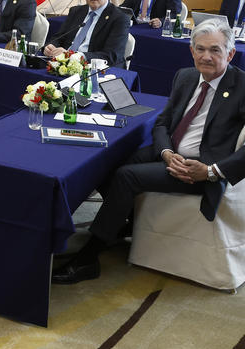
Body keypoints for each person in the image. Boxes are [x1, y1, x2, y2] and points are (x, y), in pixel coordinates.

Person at [52, 19, 245, 284]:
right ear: (191, 50)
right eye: (200, 49)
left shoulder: (241, 87)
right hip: (171, 153)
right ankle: (124, 222)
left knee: (127, 176)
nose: (206, 57)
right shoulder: (186, 76)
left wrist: (211, 172)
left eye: (215, 50)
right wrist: (165, 152)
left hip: (199, 169)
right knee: (107, 160)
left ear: (230, 53)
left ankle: (89, 257)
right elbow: (163, 122)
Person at [43, 0, 131, 67]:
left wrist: (74, 56)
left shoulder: (119, 18)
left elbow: (111, 56)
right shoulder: (76, 11)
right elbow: (59, 37)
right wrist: (50, 47)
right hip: (64, 65)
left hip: (95, 69)